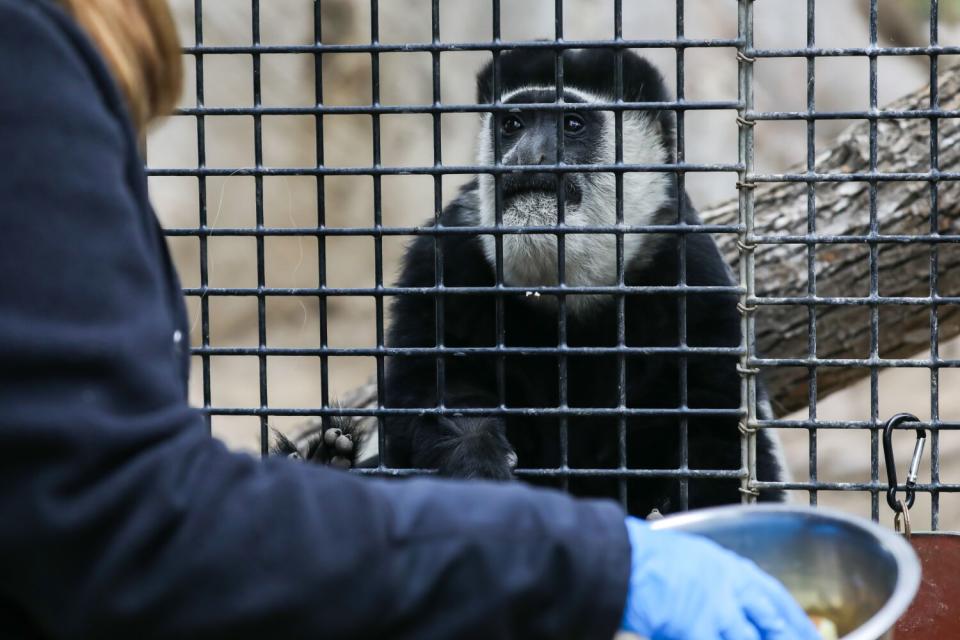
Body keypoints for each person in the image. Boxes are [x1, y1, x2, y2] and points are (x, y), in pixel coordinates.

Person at [0, 1, 821, 639]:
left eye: (571, 128)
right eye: (512, 127)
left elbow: (723, 455)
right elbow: (432, 444)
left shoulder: (692, 274)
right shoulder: (448, 261)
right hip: (513, 567)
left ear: (655, 154)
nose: (527, 159)